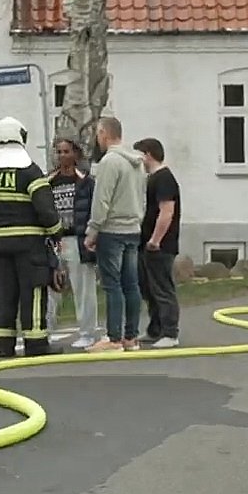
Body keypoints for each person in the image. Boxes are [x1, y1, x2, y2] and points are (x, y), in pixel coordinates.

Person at [0, 116, 64, 358]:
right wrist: (57, 232)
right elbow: (45, 208)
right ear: (21, 138)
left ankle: (4, 344)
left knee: (5, 292)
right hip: (29, 244)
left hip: (0, 244)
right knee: (33, 291)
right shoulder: (29, 171)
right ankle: (36, 343)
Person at [83, 115, 147, 352]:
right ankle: (131, 337)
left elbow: (102, 199)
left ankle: (113, 337)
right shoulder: (137, 162)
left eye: (98, 134)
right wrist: (137, 219)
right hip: (133, 228)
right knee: (131, 283)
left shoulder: (110, 162)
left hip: (112, 230)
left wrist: (93, 230)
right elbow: (143, 197)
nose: (97, 139)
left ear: (104, 133)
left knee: (112, 285)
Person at [48, 137, 101, 350]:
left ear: (76, 154)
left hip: (77, 239)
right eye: (59, 152)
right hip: (56, 240)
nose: (62, 156)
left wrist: (92, 236)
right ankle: (47, 330)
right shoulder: (48, 181)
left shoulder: (86, 181)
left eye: (66, 151)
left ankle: (87, 332)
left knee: (84, 288)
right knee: (51, 287)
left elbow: (93, 210)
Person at [134, 137, 182, 348]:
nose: (138, 161)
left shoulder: (164, 178)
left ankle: (170, 332)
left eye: (139, 156)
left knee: (162, 288)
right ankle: (155, 329)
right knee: (148, 287)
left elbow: (166, 212)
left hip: (160, 246)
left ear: (148, 154)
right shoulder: (152, 178)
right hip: (147, 243)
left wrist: (155, 240)